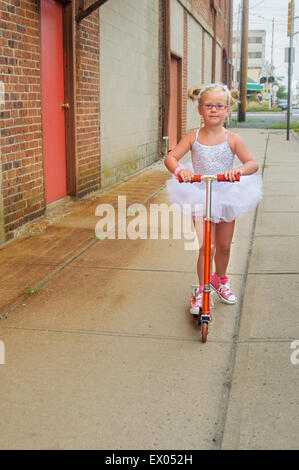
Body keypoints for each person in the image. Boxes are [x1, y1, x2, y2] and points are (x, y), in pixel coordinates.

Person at [164, 83, 262, 314]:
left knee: (224, 246)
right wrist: (180, 171)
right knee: (206, 247)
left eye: (220, 106)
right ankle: (202, 288)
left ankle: (219, 279)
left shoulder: (233, 139)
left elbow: (252, 164)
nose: (214, 110)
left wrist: (238, 171)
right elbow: (171, 158)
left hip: (227, 195)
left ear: (227, 110)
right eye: (208, 105)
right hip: (200, 194)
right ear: (200, 109)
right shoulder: (192, 137)